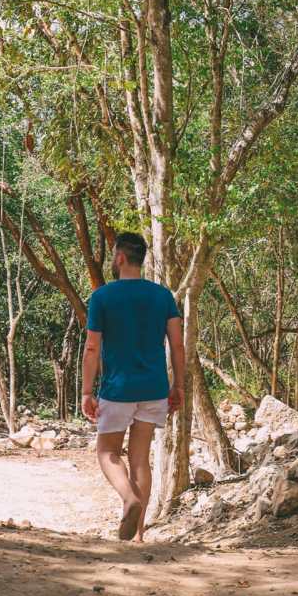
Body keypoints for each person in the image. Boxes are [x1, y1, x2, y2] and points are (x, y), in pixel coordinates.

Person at [81, 231, 185, 542]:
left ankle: (129, 498)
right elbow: (177, 345)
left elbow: (91, 348)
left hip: (118, 389)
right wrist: (178, 385)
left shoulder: (102, 297)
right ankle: (138, 536)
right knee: (140, 459)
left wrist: (87, 391)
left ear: (120, 257)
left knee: (107, 453)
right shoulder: (163, 296)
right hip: (154, 388)